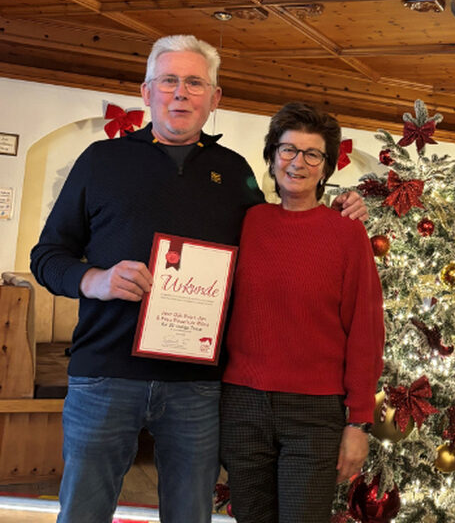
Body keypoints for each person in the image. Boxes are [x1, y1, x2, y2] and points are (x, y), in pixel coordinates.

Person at [29, 35, 367, 523]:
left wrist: (342, 209)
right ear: (147, 92)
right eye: (169, 80)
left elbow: (280, 230)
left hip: (197, 387)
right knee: (83, 511)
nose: (180, 93)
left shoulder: (234, 174)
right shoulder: (100, 161)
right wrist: (93, 280)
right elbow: (47, 256)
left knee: (190, 515)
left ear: (215, 99)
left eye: (194, 82)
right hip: (105, 376)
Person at [220, 102, 385, 523]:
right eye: (288, 149)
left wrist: (359, 423)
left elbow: (365, 332)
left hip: (314, 414)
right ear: (272, 155)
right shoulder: (245, 222)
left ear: (326, 166)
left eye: (313, 154)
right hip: (243, 404)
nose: (298, 162)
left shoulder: (347, 234)